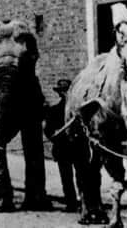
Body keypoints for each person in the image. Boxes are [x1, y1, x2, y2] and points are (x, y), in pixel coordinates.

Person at [44, 79, 78, 212]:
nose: (65, 94)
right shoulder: (54, 110)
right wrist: (54, 135)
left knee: (80, 176)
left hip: (76, 148)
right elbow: (48, 131)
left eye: (67, 91)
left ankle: (81, 202)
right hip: (62, 149)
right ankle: (71, 203)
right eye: (63, 91)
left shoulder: (77, 111)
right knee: (67, 178)